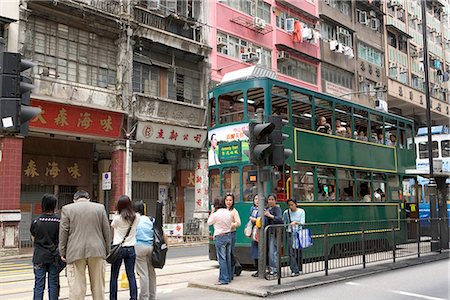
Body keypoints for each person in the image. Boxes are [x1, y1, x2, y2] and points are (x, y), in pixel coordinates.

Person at [59, 190, 110, 300]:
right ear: (88, 198)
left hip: (74, 251)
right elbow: (106, 230)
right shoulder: (100, 208)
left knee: (77, 287)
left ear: (74, 200)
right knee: (98, 286)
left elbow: (64, 232)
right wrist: (107, 249)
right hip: (97, 250)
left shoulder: (67, 209)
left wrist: (62, 251)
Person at [110, 195, 140, 300]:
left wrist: (116, 214)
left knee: (114, 275)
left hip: (118, 249)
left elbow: (112, 227)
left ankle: (113, 298)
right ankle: (133, 297)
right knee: (131, 275)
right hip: (131, 248)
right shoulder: (136, 217)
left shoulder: (117, 218)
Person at [31, 194, 60, 300]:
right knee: (53, 283)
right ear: (54, 206)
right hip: (53, 256)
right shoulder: (59, 221)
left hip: (39, 256)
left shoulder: (36, 221)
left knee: (39, 284)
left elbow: (33, 237)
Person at [207, 196, 233, 285]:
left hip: (220, 236)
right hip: (229, 235)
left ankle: (223, 279)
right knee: (228, 258)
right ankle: (229, 277)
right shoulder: (229, 213)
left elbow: (209, 222)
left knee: (222, 259)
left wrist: (212, 211)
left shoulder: (216, 214)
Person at [133, 201, 156, 300]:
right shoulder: (150, 219)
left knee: (143, 274)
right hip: (151, 247)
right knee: (151, 273)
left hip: (139, 247)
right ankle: (152, 296)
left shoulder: (134, 220)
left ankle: (144, 297)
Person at [282, 199, 305, 277]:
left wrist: (296, 222)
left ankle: (299, 268)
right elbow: (284, 223)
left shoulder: (301, 211)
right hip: (290, 233)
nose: (291, 207)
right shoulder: (286, 212)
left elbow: (303, 222)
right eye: (289, 205)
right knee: (291, 252)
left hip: (299, 233)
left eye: (292, 205)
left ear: (296, 204)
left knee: (298, 251)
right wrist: (288, 225)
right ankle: (294, 270)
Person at [264, 194, 283, 275]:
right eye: (269, 199)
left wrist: (270, 216)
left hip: (275, 233)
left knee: (273, 252)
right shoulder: (267, 209)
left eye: (272, 199)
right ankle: (271, 268)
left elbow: (280, 219)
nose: (270, 201)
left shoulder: (277, 209)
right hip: (269, 233)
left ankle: (275, 269)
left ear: (275, 200)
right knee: (270, 251)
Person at [224, 193, 241, 278]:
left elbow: (238, 223)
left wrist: (231, 225)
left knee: (230, 253)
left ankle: (231, 273)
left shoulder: (234, 211)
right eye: (227, 200)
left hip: (231, 234)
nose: (228, 202)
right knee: (224, 255)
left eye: (230, 200)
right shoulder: (222, 210)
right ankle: (225, 273)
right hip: (223, 234)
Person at [249, 195, 260, 277]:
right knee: (255, 251)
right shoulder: (252, 208)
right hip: (254, 231)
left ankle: (261, 269)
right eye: (255, 199)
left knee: (260, 250)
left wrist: (255, 220)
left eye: (258, 199)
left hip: (260, 232)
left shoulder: (263, 209)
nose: (257, 200)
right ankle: (257, 269)